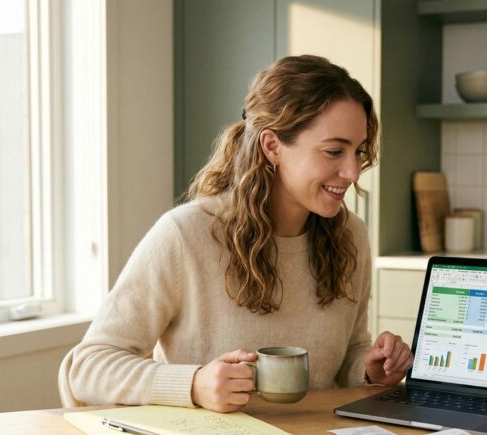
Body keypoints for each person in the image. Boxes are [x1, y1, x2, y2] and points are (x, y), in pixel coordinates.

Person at [58, 54, 413, 413]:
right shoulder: (186, 235)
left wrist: (370, 370)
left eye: (359, 151)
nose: (353, 171)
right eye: (334, 151)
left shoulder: (351, 236)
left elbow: (347, 356)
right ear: (272, 145)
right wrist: (194, 384)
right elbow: (88, 367)